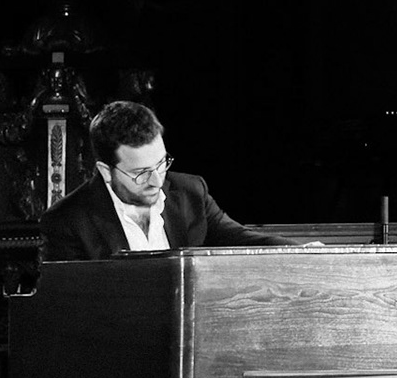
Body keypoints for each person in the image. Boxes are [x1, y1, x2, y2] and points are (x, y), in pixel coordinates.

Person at [39, 100, 301, 261]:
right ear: (106, 171)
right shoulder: (68, 221)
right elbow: (69, 310)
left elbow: (242, 238)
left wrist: (303, 251)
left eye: (161, 164)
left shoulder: (190, 192)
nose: (156, 180)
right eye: (141, 172)